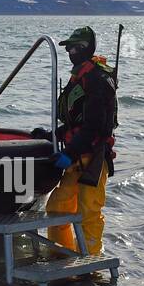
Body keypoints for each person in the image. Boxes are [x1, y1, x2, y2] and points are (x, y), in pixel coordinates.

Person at [46, 26, 117, 255]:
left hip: (93, 157)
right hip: (77, 154)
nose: (70, 52)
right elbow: (75, 119)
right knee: (57, 207)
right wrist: (53, 135)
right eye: (69, 48)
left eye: (75, 48)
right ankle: (61, 254)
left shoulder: (97, 79)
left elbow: (95, 124)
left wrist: (70, 153)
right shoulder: (79, 78)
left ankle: (90, 265)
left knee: (89, 213)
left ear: (86, 48)